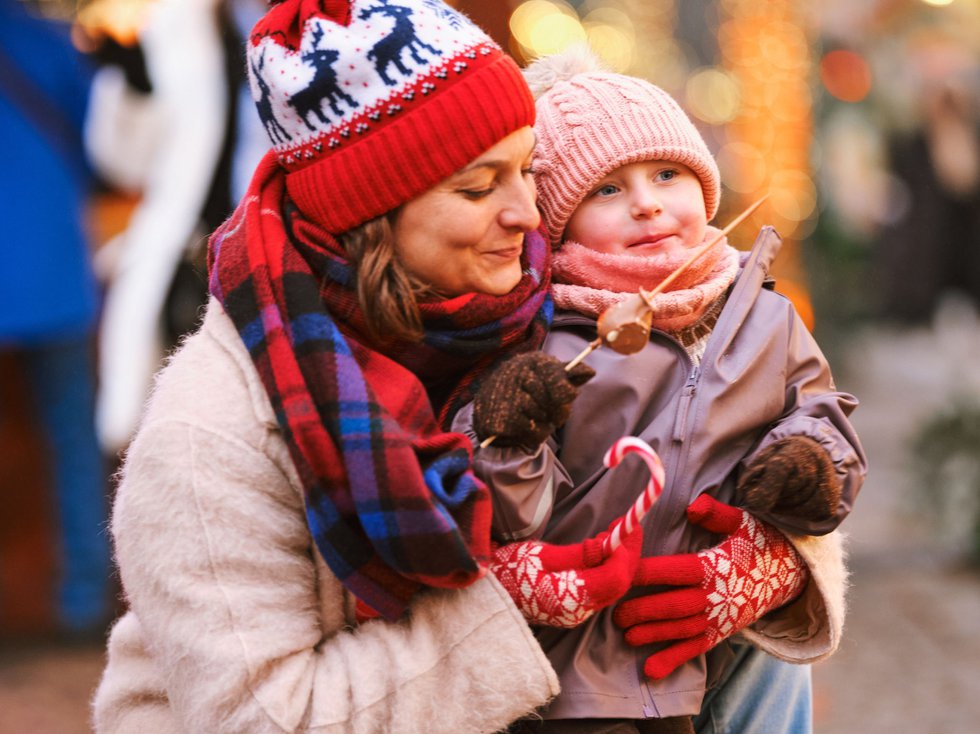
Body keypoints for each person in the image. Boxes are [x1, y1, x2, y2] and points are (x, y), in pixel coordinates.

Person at [92, 3, 650, 731]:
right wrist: (512, 609)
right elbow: (265, 720)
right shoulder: (212, 431)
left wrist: (771, 566)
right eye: (478, 188)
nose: (526, 212)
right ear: (372, 214)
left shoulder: (536, 308)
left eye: (526, 170)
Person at [459, 47, 867, 733]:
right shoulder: (548, 334)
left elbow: (821, 412)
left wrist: (811, 462)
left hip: (725, 644)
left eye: (667, 174)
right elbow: (518, 515)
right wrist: (511, 442)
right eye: (607, 190)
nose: (647, 204)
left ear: (704, 187)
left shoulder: (762, 316)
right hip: (580, 670)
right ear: (557, 219)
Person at [88, 0, 272, 456]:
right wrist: (135, 88)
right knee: (180, 442)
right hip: (191, 272)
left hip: (280, 264)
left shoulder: (326, 22)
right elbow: (122, 165)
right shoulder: (172, 19)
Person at [0, 0, 112, 638]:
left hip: (41, 275)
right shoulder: (55, 43)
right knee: (73, 440)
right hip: (51, 272)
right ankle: (81, 599)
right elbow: (105, 151)